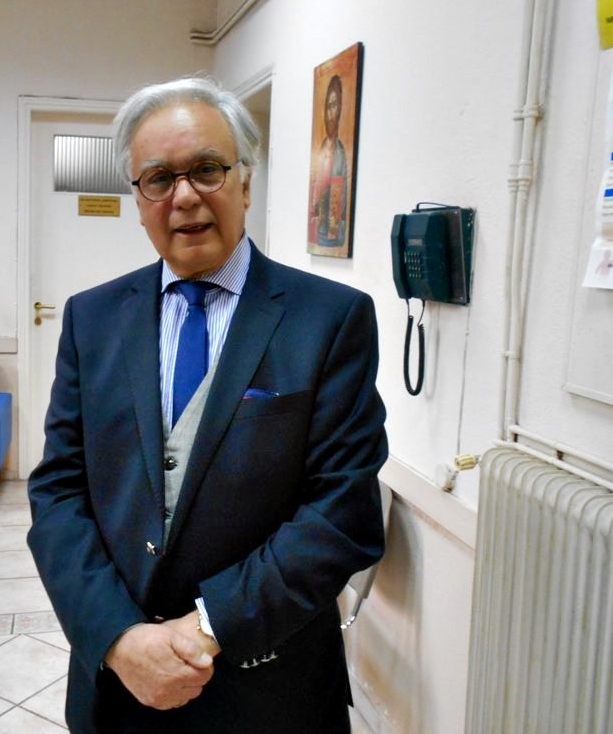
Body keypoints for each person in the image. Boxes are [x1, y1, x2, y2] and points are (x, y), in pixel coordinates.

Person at [27, 76, 387, 734]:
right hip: (119, 690)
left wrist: (207, 629)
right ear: (139, 200)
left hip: (270, 692)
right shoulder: (92, 320)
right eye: (159, 178)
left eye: (207, 169)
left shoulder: (330, 320)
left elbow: (342, 513)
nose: (185, 195)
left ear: (245, 182)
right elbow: (58, 491)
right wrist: (118, 637)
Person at [309, 74, 349, 249]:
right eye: (328, 106)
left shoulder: (340, 152)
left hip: (332, 235)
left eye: (335, 105)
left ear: (340, 110)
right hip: (319, 231)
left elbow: (341, 200)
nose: (330, 113)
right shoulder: (320, 149)